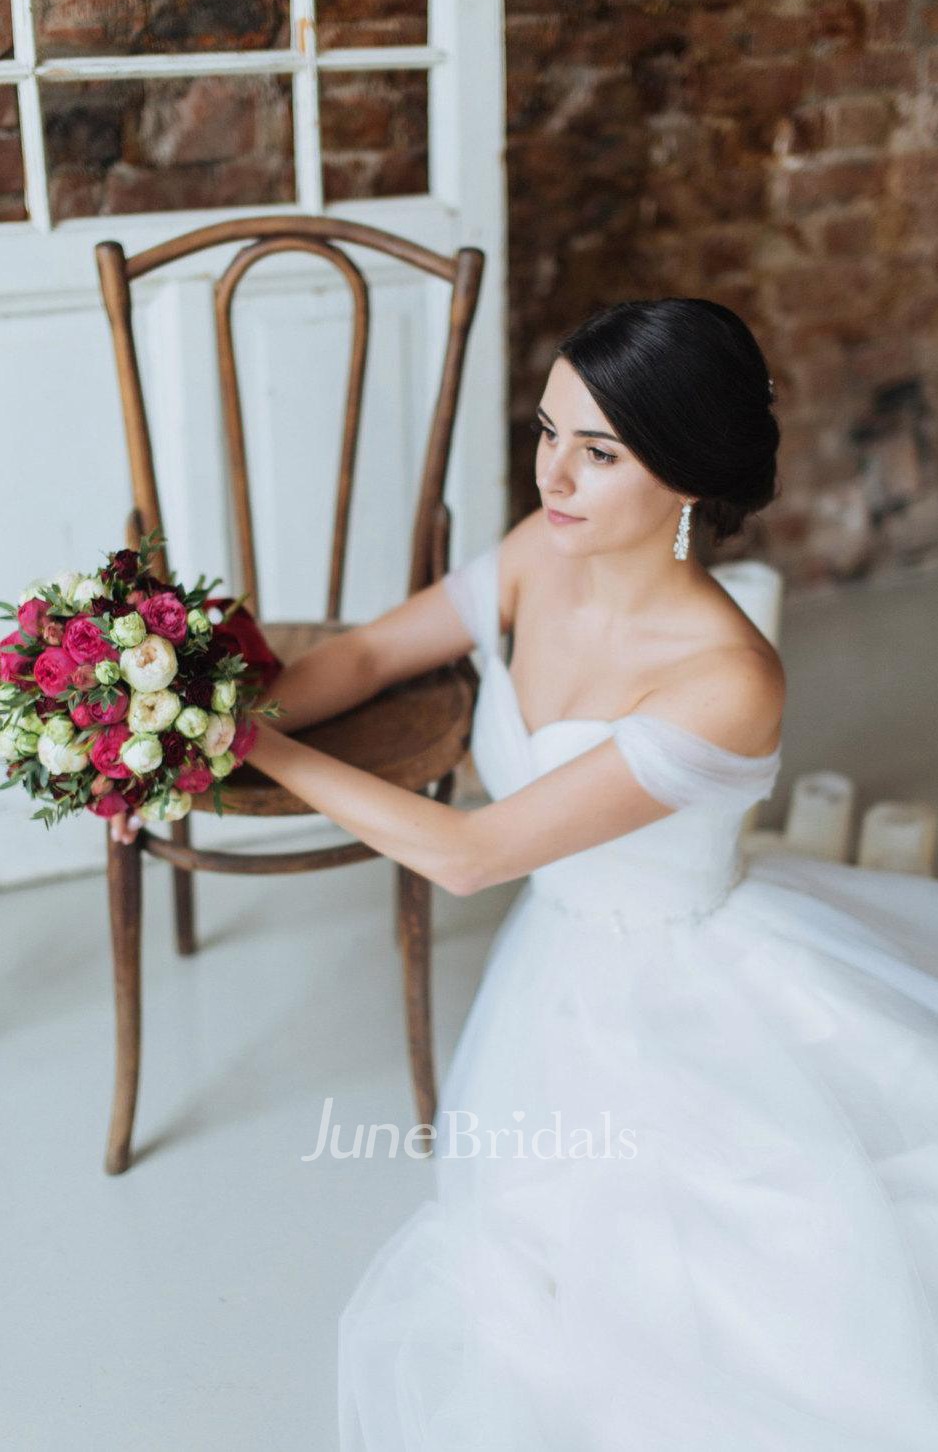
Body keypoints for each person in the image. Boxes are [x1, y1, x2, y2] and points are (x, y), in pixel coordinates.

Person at [111, 299, 938, 1449]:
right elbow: (360, 655)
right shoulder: (537, 551)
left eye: (597, 452)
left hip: (676, 990)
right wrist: (181, 726)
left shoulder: (726, 681)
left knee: (677, 1323)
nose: (554, 473)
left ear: (688, 475)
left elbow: (466, 856)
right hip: (555, 960)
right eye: (548, 431)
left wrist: (253, 751)